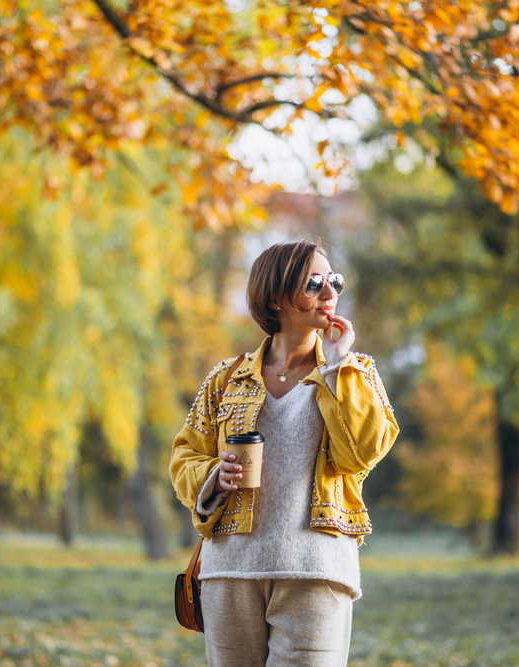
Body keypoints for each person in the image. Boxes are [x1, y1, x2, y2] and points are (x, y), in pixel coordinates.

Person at [169, 239, 401, 666]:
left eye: (335, 281)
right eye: (314, 283)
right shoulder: (226, 378)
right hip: (229, 570)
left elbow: (362, 454)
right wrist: (212, 477)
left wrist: (335, 366)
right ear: (275, 296)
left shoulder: (355, 373)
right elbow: (185, 456)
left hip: (317, 570)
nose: (330, 293)